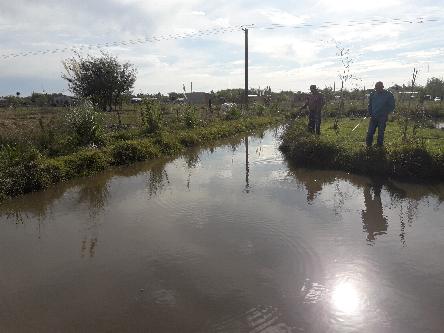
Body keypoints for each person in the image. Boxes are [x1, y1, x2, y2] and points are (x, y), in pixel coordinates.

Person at [366, 81, 395, 147]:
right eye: (376, 88)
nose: (377, 89)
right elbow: (370, 105)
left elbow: (392, 106)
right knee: (370, 132)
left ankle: (379, 146)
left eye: (378, 88)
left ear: (382, 87)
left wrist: (385, 112)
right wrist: (369, 112)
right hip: (373, 116)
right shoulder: (372, 94)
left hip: (382, 117)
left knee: (381, 133)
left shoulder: (388, 94)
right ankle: (368, 146)